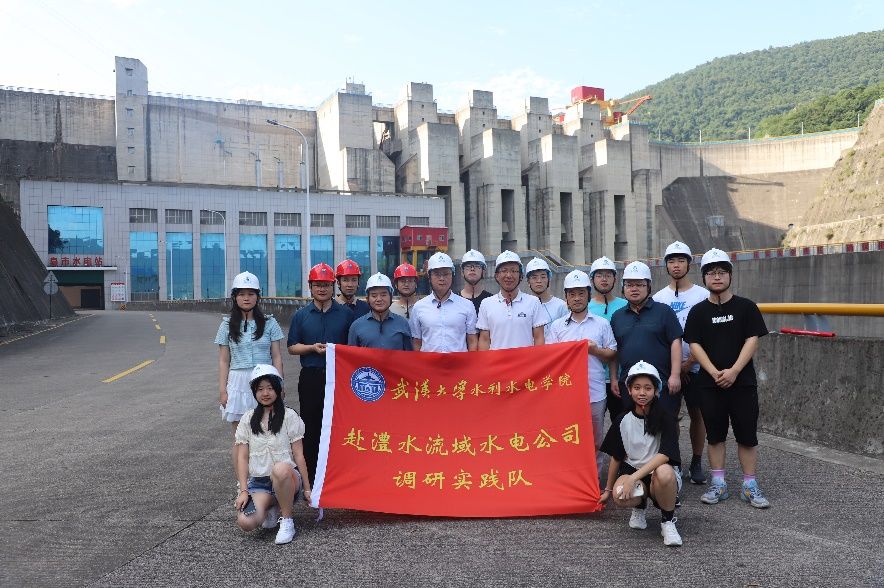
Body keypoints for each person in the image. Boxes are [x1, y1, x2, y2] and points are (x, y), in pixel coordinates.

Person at [684, 248, 770, 508]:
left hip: (742, 383)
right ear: (704, 278)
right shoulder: (698, 312)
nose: (717, 277)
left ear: (730, 275)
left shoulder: (746, 307)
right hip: (709, 384)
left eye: (722, 272)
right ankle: (718, 484)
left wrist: (734, 371)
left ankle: (749, 485)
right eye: (711, 273)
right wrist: (713, 372)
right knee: (715, 435)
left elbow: (752, 340)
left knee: (747, 435)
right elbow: (694, 344)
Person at [599, 361, 683, 547]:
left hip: (658, 474)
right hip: (634, 473)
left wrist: (633, 478)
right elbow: (616, 456)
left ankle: (668, 521)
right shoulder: (622, 419)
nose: (642, 393)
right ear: (629, 390)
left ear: (656, 390)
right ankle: (639, 506)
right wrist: (608, 490)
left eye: (648, 388)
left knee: (664, 472)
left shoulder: (666, 417)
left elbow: (665, 455)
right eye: (637, 388)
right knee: (620, 495)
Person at [546, 270, 617, 480]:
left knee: (595, 439)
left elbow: (612, 353)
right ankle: (570, 478)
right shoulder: (557, 326)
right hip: (565, 395)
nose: (577, 298)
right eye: (572, 294)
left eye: (581, 293)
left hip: (594, 392)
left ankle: (593, 479)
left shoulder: (601, 324)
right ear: (566, 297)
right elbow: (549, 358)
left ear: (588, 295)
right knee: (567, 437)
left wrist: (595, 350)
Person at [287, 262, 354, 484]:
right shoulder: (301, 315)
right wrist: (311, 348)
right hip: (311, 376)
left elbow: (353, 346)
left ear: (333, 286)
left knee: (339, 424)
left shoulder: (346, 314)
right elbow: (292, 347)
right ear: (310, 287)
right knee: (311, 424)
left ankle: (339, 472)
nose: (322, 289)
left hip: (339, 377)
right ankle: (313, 476)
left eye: (326, 285)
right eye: (317, 285)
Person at [652, 241, 710, 485]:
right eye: (672, 261)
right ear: (666, 265)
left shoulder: (702, 295)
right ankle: (673, 459)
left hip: (697, 367)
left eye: (681, 261)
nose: (676, 265)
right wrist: (677, 367)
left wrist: (689, 363)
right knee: (669, 416)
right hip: (670, 369)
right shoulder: (658, 298)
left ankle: (696, 461)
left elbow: (707, 333)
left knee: (698, 415)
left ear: (689, 264)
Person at [234, 364, 311, 545]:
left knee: (280, 469)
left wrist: (307, 489)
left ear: (278, 389)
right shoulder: (247, 419)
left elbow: (299, 455)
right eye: (260, 389)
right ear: (254, 392)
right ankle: (272, 506)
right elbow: (242, 458)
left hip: (288, 479)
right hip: (260, 483)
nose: (265, 393)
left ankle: (287, 521)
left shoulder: (289, 416)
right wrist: (243, 491)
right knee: (245, 522)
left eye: (270, 388)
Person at [610, 261, 682, 415]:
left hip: (662, 383)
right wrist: (614, 378)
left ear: (648, 286)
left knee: (665, 424)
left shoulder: (664, 311)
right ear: (623, 288)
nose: (634, 289)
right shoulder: (617, 317)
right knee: (633, 424)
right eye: (629, 285)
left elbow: (676, 342)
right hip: (629, 385)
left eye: (639, 285)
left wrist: (675, 375)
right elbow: (614, 350)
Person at [216, 271, 285, 432]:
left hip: (265, 379)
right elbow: (224, 361)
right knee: (240, 433)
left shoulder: (270, 323)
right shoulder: (226, 326)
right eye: (241, 294)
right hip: (237, 382)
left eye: (251, 294)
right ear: (235, 297)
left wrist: (280, 385)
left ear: (257, 297)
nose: (246, 298)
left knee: (267, 430)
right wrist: (223, 390)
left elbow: (276, 357)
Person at [477, 250, 546, 350]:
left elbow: (539, 338)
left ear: (520, 275)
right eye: (504, 271)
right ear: (497, 276)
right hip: (497, 360)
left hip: (526, 360)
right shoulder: (486, 304)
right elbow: (484, 339)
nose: (509, 275)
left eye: (513, 271)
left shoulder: (533, 302)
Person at [409, 252, 478, 352]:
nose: (442, 278)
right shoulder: (419, 307)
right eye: (437, 274)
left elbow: (472, 341)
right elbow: (416, 342)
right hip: (429, 362)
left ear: (452, 275)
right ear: (429, 276)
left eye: (446, 274)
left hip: (458, 362)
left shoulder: (467, 305)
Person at [587, 256, 628, 420]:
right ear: (592, 279)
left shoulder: (626, 305)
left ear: (615, 279)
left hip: (622, 377)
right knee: (592, 424)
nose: (604, 279)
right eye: (599, 275)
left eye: (608, 275)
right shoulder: (584, 307)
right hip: (593, 379)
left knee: (622, 423)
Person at [348, 273, 413, 350]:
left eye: (383, 295)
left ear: (391, 297)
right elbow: (351, 355)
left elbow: (409, 355)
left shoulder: (402, 323)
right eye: (374, 295)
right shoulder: (356, 326)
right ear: (367, 299)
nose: (379, 299)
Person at [525, 257, 568, 340]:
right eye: (534, 277)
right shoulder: (523, 306)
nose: (539, 281)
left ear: (549, 279)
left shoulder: (561, 306)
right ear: (528, 281)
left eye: (543, 277)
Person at [459, 249, 492, 315]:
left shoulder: (491, 300)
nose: (472, 269)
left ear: (483, 272)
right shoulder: (454, 300)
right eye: (468, 266)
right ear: (462, 272)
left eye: (477, 266)